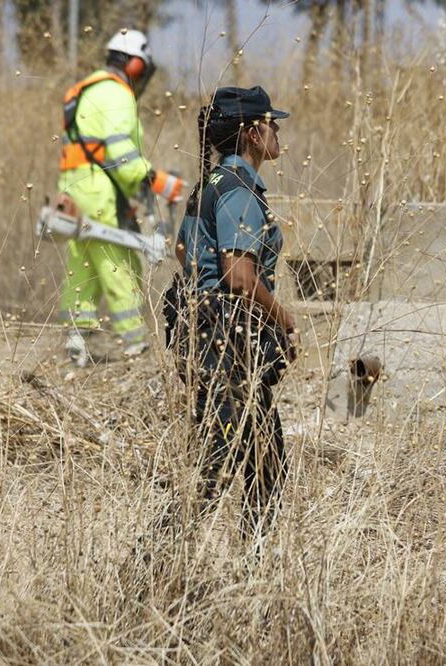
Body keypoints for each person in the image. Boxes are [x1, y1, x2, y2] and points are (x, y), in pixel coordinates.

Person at [165, 86, 296, 543]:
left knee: (265, 463)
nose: (278, 132)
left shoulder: (212, 184)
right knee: (215, 471)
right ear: (252, 133)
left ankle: (255, 567)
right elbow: (239, 276)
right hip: (226, 345)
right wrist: (282, 318)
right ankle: (154, 562)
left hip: (208, 336)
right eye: (271, 124)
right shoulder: (239, 190)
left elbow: (181, 250)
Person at [57, 29, 185, 367]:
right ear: (135, 65)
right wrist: (155, 181)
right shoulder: (116, 93)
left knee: (83, 267)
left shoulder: (88, 89)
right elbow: (120, 154)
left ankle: (75, 345)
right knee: (120, 264)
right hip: (101, 192)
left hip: (75, 188)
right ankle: (136, 346)